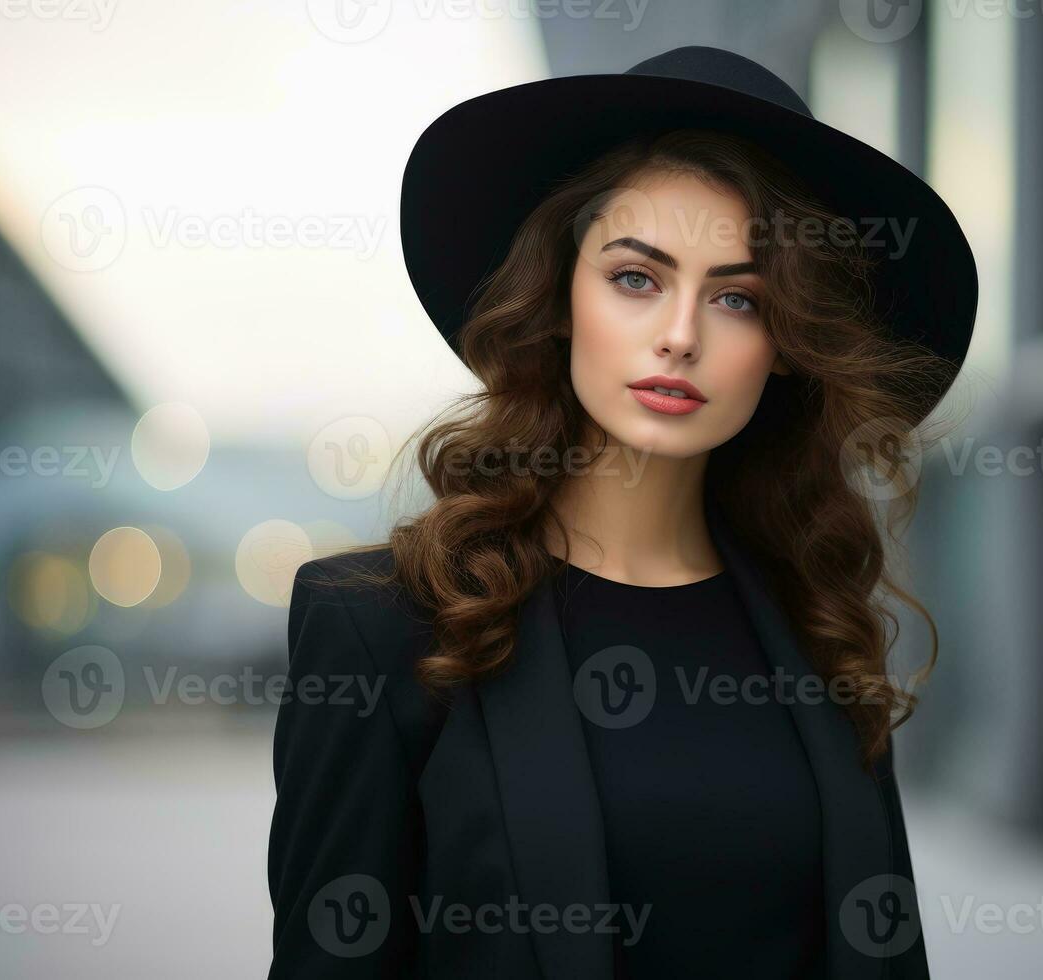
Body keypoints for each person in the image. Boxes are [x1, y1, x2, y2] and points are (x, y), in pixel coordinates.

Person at [267, 44, 977, 979]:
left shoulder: (821, 629)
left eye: (737, 298)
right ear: (559, 297)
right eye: (636, 278)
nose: (680, 336)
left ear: (789, 347)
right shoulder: (382, 625)